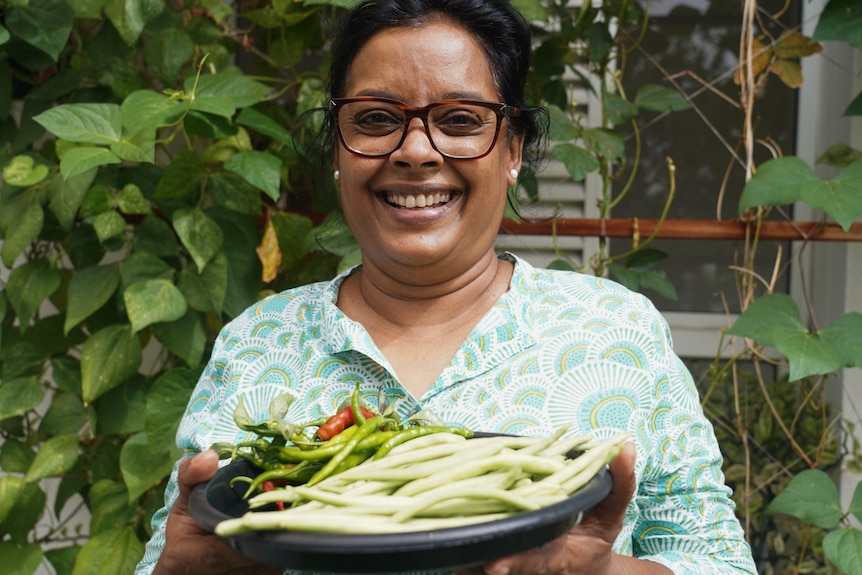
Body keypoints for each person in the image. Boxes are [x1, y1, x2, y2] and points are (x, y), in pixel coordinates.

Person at [136, 0, 757, 574]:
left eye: (460, 119)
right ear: (338, 150)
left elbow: (716, 560)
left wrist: (601, 573)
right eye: (376, 119)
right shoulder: (259, 343)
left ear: (512, 148)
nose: (414, 151)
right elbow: (181, 550)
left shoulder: (614, 333)